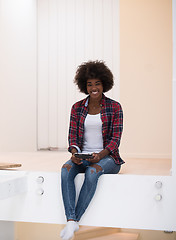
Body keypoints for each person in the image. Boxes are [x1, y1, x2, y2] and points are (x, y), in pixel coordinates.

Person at [60, 60, 124, 240]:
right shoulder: (77, 107)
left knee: (92, 172)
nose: (93, 88)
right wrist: (75, 153)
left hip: (108, 158)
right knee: (65, 171)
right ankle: (71, 219)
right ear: (84, 86)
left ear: (104, 84)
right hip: (83, 155)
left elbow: (115, 141)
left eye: (97, 83)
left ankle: (74, 219)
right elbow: (72, 137)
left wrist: (100, 155)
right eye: (89, 84)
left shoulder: (115, 107)